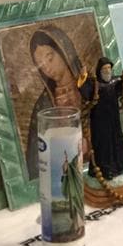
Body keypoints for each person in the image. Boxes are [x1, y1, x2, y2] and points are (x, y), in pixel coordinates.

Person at [26, 26, 86, 179]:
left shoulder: (91, 87)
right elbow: (37, 157)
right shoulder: (44, 105)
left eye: (50, 58)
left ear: (64, 51)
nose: (47, 68)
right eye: (40, 65)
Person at [79, 57, 123, 181]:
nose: (107, 71)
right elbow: (86, 92)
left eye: (109, 68)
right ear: (100, 70)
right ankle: (105, 170)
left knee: (117, 142)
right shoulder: (95, 84)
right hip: (99, 122)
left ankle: (121, 166)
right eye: (104, 68)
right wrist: (83, 77)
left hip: (114, 119)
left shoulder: (115, 82)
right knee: (103, 147)